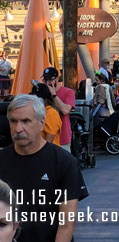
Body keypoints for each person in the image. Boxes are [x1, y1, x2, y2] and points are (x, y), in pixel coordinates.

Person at [0, 95, 88, 241]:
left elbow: (66, 223)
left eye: (26, 121)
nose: (18, 128)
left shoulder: (63, 162)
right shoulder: (2, 160)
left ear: (42, 123)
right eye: (13, 121)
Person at [41, 67, 75, 152]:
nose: (48, 82)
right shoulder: (43, 92)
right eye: (46, 80)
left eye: (51, 79)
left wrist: (53, 95)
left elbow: (65, 110)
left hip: (62, 138)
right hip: (45, 137)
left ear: (57, 78)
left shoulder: (68, 92)